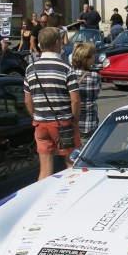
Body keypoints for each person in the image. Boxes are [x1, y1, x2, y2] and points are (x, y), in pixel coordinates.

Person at [23, 27, 81, 180]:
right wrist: (74, 120)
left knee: (45, 170)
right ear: (57, 43)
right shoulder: (65, 67)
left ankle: (44, 200)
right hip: (63, 122)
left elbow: (28, 100)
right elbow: (75, 99)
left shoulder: (30, 68)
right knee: (71, 166)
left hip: (40, 124)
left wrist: (36, 116)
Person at [71, 41, 100, 141]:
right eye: (93, 56)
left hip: (72, 122)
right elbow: (95, 95)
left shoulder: (69, 75)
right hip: (88, 123)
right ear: (87, 59)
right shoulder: (94, 76)